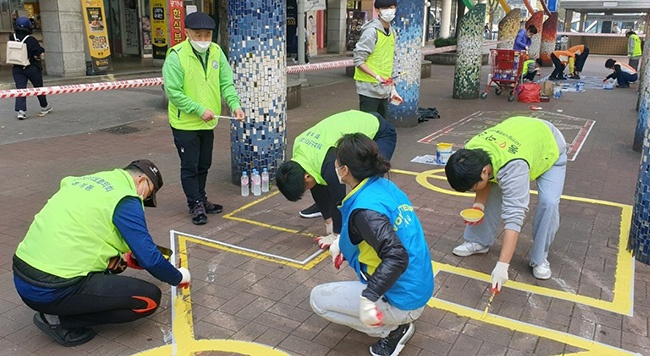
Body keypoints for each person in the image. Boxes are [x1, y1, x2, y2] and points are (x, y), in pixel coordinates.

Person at [12, 160, 191, 347]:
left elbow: (87, 227)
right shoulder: (126, 197)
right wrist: (178, 278)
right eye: (148, 194)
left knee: (114, 268)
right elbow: (151, 259)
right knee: (149, 299)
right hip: (51, 290)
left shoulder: (91, 181)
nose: (143, 201)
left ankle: (60, 308)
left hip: (23, 275)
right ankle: (58, 321)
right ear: (141, 180)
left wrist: (120, 258)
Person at [310, 133, 433, 356]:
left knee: (319, 300)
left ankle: (393, 330)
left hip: (403, 298)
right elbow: (372, 234)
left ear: (345, 170)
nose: (335, 166)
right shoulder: (383, 187)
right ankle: (394, 316)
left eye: (337, 162)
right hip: (417, 287)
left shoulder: (365, 210)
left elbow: (396, 255)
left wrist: (369, 298)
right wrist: (339, 245)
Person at [445, 116, 567, 290]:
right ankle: (479, 241)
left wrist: (502, 265)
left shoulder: (513, 167)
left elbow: (514, 217)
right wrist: (478, 206)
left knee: (549, 203)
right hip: (522, 138)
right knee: (492, 186)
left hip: (549, 148)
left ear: (485, 171)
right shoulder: (469, 152)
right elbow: (485, 180)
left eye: (473, 188)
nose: (473, 191)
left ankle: (540, 258)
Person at [162, 12, 245, 225]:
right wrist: (199, 109)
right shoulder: (176, 56)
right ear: (187, 33)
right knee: (190, 165)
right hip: (185, 123)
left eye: (207, 35)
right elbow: (173, 92)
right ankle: (195, 204)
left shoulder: (216, 52)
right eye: (198, 35)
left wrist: (235, 106)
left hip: (208, 121)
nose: (203, 40)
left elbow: (226, 83)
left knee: (203, 164)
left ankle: (201, 198)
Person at [275, 110, 396, 247]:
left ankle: (380, 222)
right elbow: (316, 187)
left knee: (369, 183)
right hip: (356, 122)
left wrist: (336, 235)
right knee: (326, 184)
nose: (308, 189)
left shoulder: (329, 164)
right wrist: (329, 222)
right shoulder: (300, 153)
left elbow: (338, 199)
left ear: (306, 176)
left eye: (305, 187)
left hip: (380, 132)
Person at [353, 0, 397, 120]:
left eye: (391, 7)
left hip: (384, 89)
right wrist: (376, 77)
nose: (389, 10)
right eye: (385, 8)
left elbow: (388, 58)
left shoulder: (392, 32)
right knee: (369, 125)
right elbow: (358, 60)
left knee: (381, 125)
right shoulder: (371, 31)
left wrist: (392, 85)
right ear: (378, 10)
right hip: (368, 88)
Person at [10, 16, 52, 120]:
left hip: (17, 67)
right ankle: (44, 106)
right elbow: (40, 53)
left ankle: (21, 111)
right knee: (38, 88)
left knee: (20, 89)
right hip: (31, 67)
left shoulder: (11, 37)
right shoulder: (30, 40)